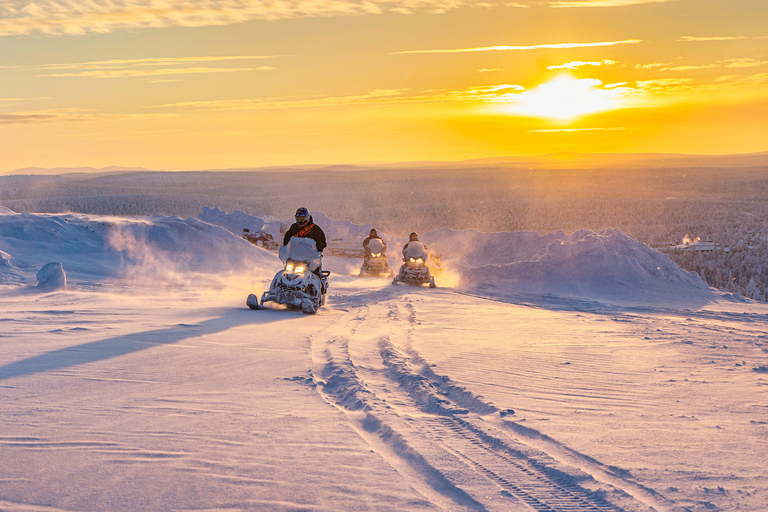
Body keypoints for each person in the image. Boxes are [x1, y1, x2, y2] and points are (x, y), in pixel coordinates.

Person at [283, 207, 327, 275]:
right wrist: (285, 248)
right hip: (294, 255)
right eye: (298, 219)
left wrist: (317, 252)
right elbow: (287, 237)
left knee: (315, 272)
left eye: (302, 219)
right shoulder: (294, 227)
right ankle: (278, 284)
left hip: (309, 257)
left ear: (307, 218)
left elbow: (321, 241)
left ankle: (319, 283)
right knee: (286, 272)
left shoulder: (315, 229)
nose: (300, 221)